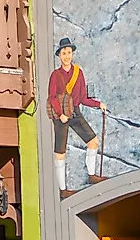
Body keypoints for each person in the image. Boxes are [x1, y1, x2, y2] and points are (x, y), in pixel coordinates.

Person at [45, 38, 105, 195]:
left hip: (75, 111)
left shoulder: (78, 73)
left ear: (72, 54)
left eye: (69, 53)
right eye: (63, 53)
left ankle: (91, 175)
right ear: (59, 56)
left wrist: (98, 104)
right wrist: (60, 114)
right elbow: (51, 97)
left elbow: (83, 98)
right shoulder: (55, 75)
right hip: (61, 115)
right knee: (60, 151)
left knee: (93, 141)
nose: (66, 56)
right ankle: (63, 189)